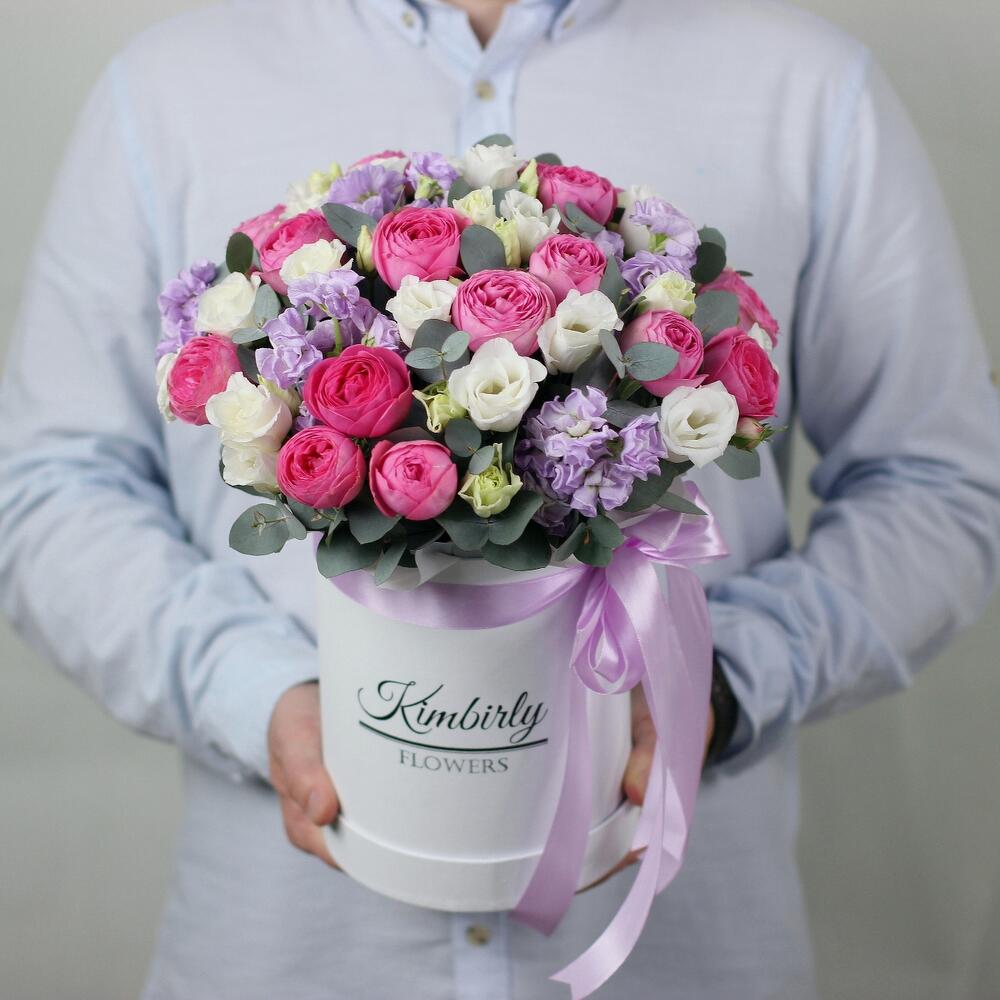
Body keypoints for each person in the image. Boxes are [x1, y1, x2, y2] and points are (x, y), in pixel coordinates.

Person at [1, 1, 998, 998]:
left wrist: (722, 678)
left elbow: (941, 486)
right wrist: (248, 689)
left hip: (683, 958)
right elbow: (49, 488)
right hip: (284, 958)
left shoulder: (809, 87)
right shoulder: (168, 87)